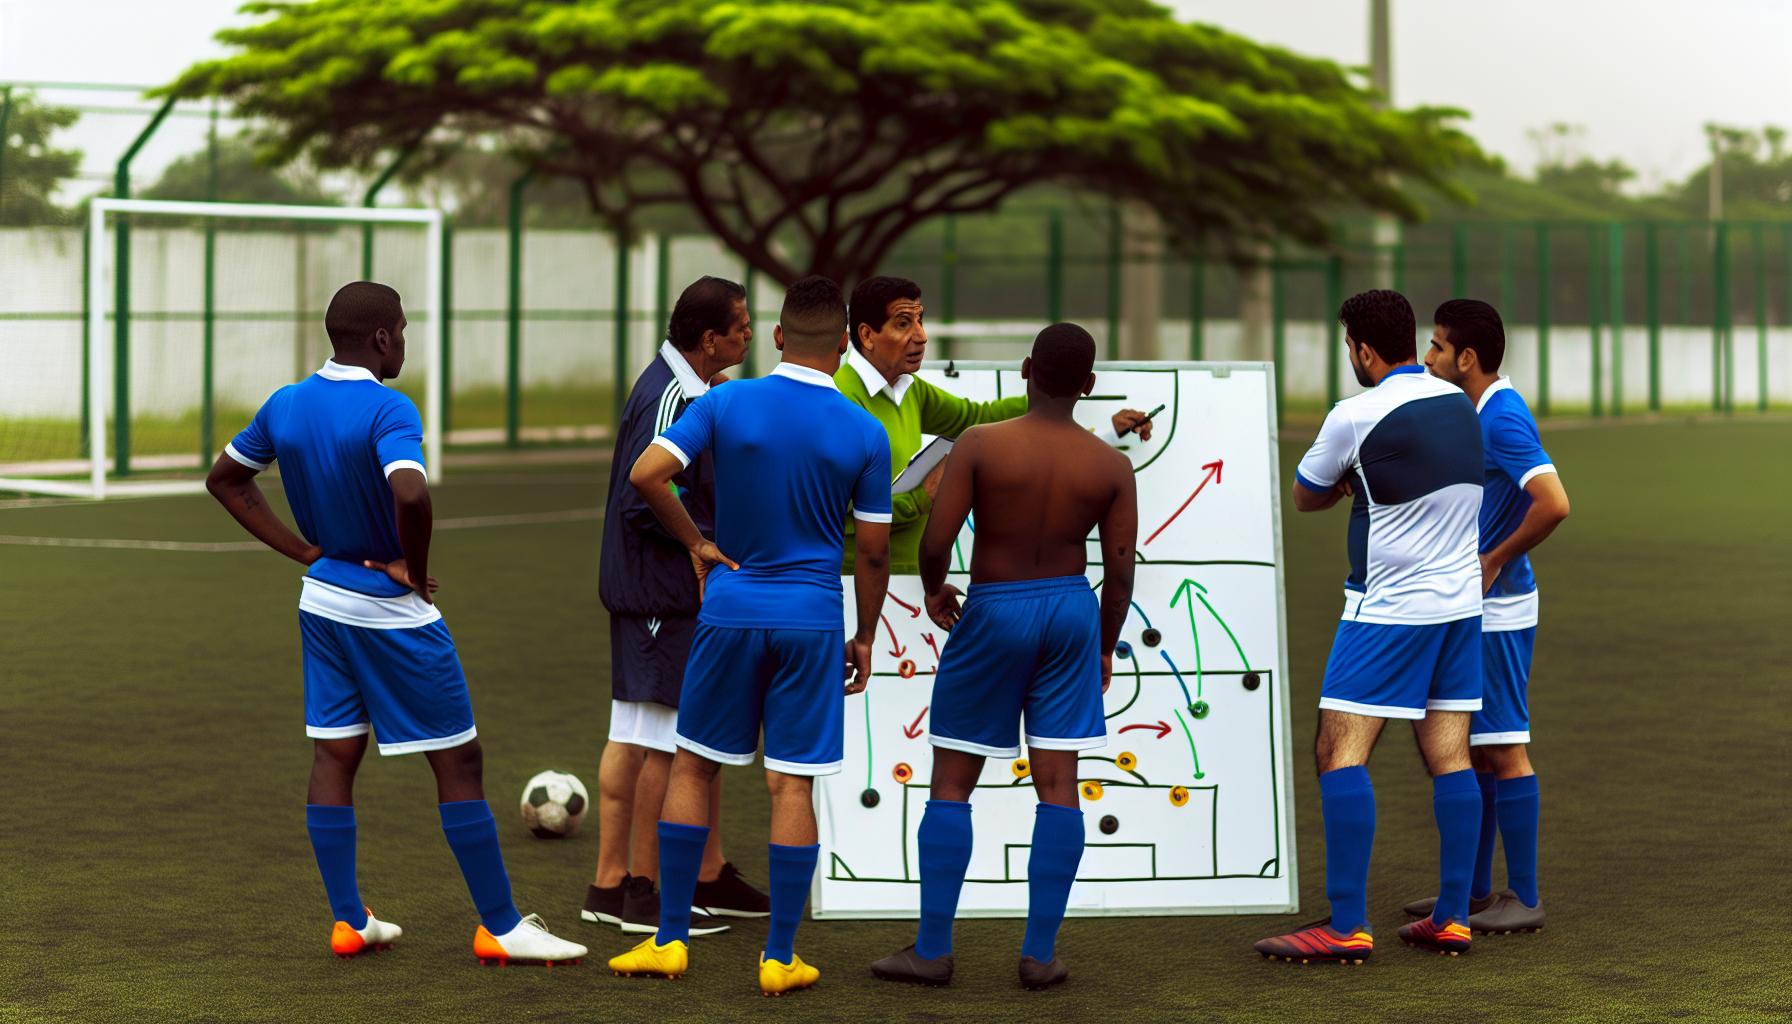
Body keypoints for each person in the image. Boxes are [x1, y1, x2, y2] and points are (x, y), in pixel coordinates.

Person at [205, 281, 586, 965]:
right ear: (382, 338)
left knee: (334, 753)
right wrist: (413, 565)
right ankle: (500, 927)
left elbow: (226, 479)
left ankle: (351, 920)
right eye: (403, 331)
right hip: (389, 614)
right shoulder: (388, 408)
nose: (405, 342)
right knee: (459, 760)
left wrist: (304, 550)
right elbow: (409, 490)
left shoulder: (286, 403)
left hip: (320, 601)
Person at [607, 276, 893, 996]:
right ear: (845, 345)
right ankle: (780, 956)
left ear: (775, 339)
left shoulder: (727, 400)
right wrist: (863, 636)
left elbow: (647, 473)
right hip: (811, 619)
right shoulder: (866, 430)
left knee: (695, 768)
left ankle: (669, 940)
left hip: (729, 610)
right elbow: (875, 551)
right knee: (788, 781)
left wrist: (700, 546)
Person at [869, 323, 1138, 991]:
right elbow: (1123, 569)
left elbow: (937, 539)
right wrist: (1102, 646)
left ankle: (933, 951)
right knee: (1059, 784)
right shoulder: (1112, 466)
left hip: (995, 606)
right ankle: (1039, 954)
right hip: (1071, 611)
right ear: (1090, 386)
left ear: (1024, 370)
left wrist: (935, 590)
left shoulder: (984, 444)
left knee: (954, 781)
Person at [1253, 289, 1486, 964]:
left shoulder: (1355, 414)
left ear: (1360, 348)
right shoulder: (1458, 403)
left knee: (1338, 751)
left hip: (1388, 610)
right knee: (1449, 756)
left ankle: (1347, 923)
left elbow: (1305, 495)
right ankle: (1451, 916)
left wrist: (1352, 480)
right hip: (1460, 606)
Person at [584, 277, 767, 939]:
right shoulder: (671, 394)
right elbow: (644, 496)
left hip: (651, 592)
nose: (750, 334)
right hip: (658, 591)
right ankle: (644, 890)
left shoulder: (689, 388)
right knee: (662, 739)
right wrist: (698, 542)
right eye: (741, 325)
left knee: (650, 731)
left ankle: (645, 883)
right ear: (708, 337)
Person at [1404, 299, 1569, 934]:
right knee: (1474, 751)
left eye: (1438, 347)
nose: (1429, 356)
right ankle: (1473, 892)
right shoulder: (1475, 410)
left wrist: (1494, 558)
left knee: (1504, 749)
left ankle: (1523, 897)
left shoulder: (1500, 417)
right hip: (1471, 609)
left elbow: (1553, 504)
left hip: (1497, 612)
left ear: (1466, 358)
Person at [837, 276, 1155, 574]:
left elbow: (977, 418)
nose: (921, 336)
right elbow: (842, 515)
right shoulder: (841, 402)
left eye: (920, 320)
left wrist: (1063, 396)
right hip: (855, 582)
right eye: (904, 324)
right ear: (866, 335)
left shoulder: (910, 388)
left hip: (906, 581)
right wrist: (922, 497)